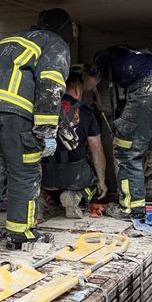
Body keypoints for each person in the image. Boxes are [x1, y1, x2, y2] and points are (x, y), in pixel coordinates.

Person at [0, 8, 72, 249]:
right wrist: (45, 129)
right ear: (66, 30)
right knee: (24, 172)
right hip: (13, 110)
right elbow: (50, 85)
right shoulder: (55, 43)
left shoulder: (10, 40)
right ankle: (21, 234)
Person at [93, 46, 152, 220]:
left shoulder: (112, 60)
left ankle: (132, 208)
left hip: (151, 87)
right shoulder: (142, 57)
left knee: (126, 151)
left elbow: (107, 88)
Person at [41, 71, 108, 218]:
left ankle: (41, 198)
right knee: (94, 183)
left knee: (42, 181)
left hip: (45, 176)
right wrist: (102, 182)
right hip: (74, 176)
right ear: (77, 89)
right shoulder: (86, 112)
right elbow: (97, 152)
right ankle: (75, 196)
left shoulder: (44, 110)